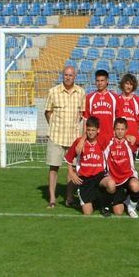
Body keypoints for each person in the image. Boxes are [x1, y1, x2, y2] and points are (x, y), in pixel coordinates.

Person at [44, 65, 85, 209]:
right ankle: (52, 198)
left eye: (70, 75)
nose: (68, 77)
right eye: (66, 75)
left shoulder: (81, 92)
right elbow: (48, 112)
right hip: (56, 136)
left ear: (75, 76)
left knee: (72, 169)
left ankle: (69, 198)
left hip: (73, 138)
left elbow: (82, 114)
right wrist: (54, 125)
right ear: (63, 75)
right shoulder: (53, 91)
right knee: (53, 167)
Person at [64, 117, 116, 216]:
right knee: (88, 213)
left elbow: (116, 136)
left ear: (98, 130)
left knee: (111, 184)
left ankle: (105, 206)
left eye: (93, 130)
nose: (91, 132)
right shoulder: (79, 142)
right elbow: (69, 159)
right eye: (88, 130)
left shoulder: (102, 140)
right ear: (86, 130)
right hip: (85, 180)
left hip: (99, 177)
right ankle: (93, 200)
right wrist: (71, 173)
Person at [101, 118, 139, 218]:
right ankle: (106, 204)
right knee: (118, 212)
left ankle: (131, 207)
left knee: (136, 185)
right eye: (117, 129)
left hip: (127, 177)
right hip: (114, 179)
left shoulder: (130, 142)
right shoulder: (108, 143)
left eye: (122, 129)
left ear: (126, 130)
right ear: (114, 130)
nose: (120, 132)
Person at [83, 69, 117, 141]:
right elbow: (86, 120)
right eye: (97, 80)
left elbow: (119, 119)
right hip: (93, 139)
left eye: (102, 80)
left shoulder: (115, 98)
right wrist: (84, 138)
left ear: (107, 81)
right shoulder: (89, 98)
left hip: (110, 138)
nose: (99, 83)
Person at [115, 73, 139, 153]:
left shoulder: (138, 101)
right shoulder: (116, 99)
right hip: (119, 138)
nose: (129, 86)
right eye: (127, 83)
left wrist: (134, 136)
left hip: (133, 140)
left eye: (131, 84)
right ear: (122, 84)